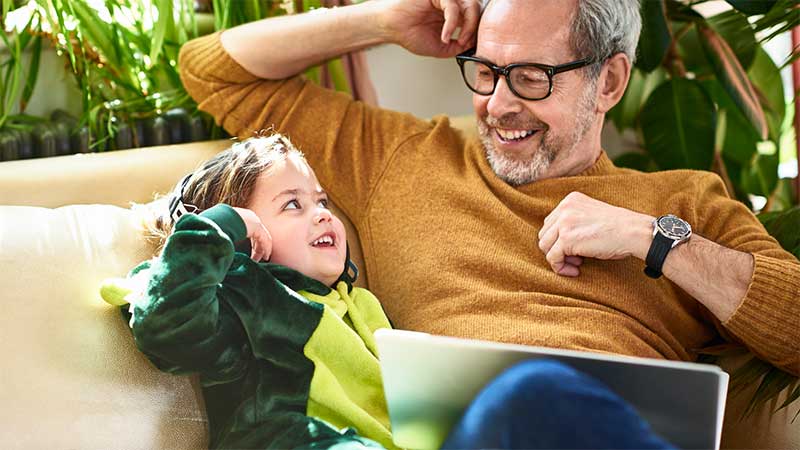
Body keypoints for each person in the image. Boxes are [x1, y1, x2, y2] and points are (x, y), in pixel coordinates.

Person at [175, 0, 799, 447]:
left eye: (531, 78)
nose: (499, 105)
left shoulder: (684, 203)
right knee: (525, 395)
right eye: (486, 70)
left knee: (536, 394)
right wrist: (383, 19)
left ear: (608, 81)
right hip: (458, 437)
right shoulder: (404, 156)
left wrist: (652, 240)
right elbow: (211, 70)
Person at [102, 133, 396, 450]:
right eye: (293, 204)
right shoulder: (242, 293)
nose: (323, 213)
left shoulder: (361, 304)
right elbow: (167, 323)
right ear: (244, 239)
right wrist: (220, 226)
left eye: (321, 201)